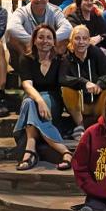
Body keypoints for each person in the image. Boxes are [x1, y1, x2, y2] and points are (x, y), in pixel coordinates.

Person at [14, 24, 73, 172]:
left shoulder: (61, 60)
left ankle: (30, 151)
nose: (44, 41)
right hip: (33, 97)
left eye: (49, 38)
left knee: (30, 102)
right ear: (34, 40)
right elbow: (27, 85)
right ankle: (64, 152)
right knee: (28, 101)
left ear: (54, 41)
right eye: (40, 37)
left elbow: (63, 81)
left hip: (53, 100)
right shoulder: (26, 59)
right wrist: (39, 100)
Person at [60, 25, 106, 140]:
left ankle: (105, 125)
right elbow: (62, 78)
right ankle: (80, 126)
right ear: (71, 41)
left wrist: (99, 84)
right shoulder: (67, 57)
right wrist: (84, 83)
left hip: (97, 102)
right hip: (78, 107)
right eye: (77, 38)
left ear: (89, 40)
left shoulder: (95, 52)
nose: (81, 42)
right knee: (65, 89)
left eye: (84, 38)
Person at [6, 0, 72, 64]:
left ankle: (52, 67)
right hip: (28, 52)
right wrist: (32, 41)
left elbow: (68, 28)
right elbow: (11, 28)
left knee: (65, 40)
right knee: (12, 38)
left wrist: (49, 40)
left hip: (49, 51)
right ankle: (26, 66)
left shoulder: (55, 11)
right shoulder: (21, 11)